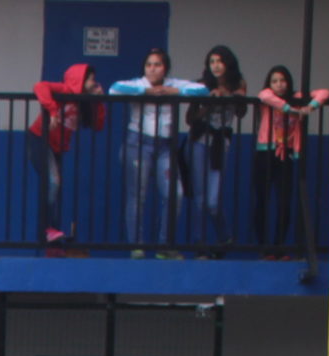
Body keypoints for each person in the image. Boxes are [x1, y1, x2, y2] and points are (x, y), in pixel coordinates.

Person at [111, 50, 205, 254]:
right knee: (137, 195)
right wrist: (145, 93)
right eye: (149, 65)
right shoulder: (138, 84)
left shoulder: (174, 85)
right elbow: (114, 89)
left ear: (165, 68)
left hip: (165, 146)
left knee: (175, 193)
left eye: (158, 65)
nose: (153, 69)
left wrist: (174, 92)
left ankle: (165, 245)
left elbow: (202, 91)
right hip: (138, 143)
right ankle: (137, 244)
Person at [27, 61, 106, 247]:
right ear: (80, 79)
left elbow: (98, 125)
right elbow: (40, 86)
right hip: (40, 139)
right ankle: (46, 230)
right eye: (91, 79)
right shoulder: (64, 90)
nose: (94, 83)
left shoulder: (85, 103)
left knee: (55, 186)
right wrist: (53, 111)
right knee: (53, 182)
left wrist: (99, 102)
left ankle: (51, 231)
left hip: (57, 148)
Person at [254, 67, 329, 255]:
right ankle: (264, 247)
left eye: (283, 80)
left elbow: (324, 93)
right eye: (275, 81)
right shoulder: (269, 97)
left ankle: (279, 246)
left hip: (285, 154)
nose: (279, 85)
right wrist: (290, 109)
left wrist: (308, 107)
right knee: (262, 200)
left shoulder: (298, 97)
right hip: (265, 152)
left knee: (284, 201)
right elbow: (263, 95)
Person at [184, 46, 250, 247]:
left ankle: (224, 237)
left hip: (221, 142)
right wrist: (207, 103)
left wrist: (231, 95)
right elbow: (189, 118)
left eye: (219, 61)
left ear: (228, 63)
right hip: (199, 140)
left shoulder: (238, 83)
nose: (215, 66)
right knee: (200, 199)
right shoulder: (202, 85)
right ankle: (199, 243)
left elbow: (241, 112)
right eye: (212, 62)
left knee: (213, 201)